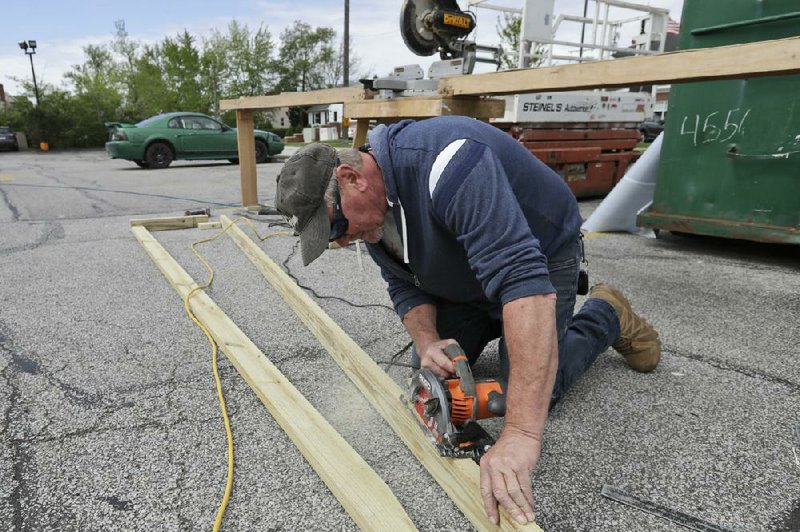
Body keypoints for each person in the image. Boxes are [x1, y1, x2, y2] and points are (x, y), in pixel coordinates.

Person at [275, 116, 661, 526]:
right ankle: (492, 317)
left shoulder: (449, 164)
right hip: (470, 271)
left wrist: (519, 435)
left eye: (334, 226)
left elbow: (523, 282)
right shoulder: (370, 217)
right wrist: (426, 341)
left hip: (540, 256)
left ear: (352, 178)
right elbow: (403, 283)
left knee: (529, 394)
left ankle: (605, 314)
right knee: (432, 378)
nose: (339, 240)